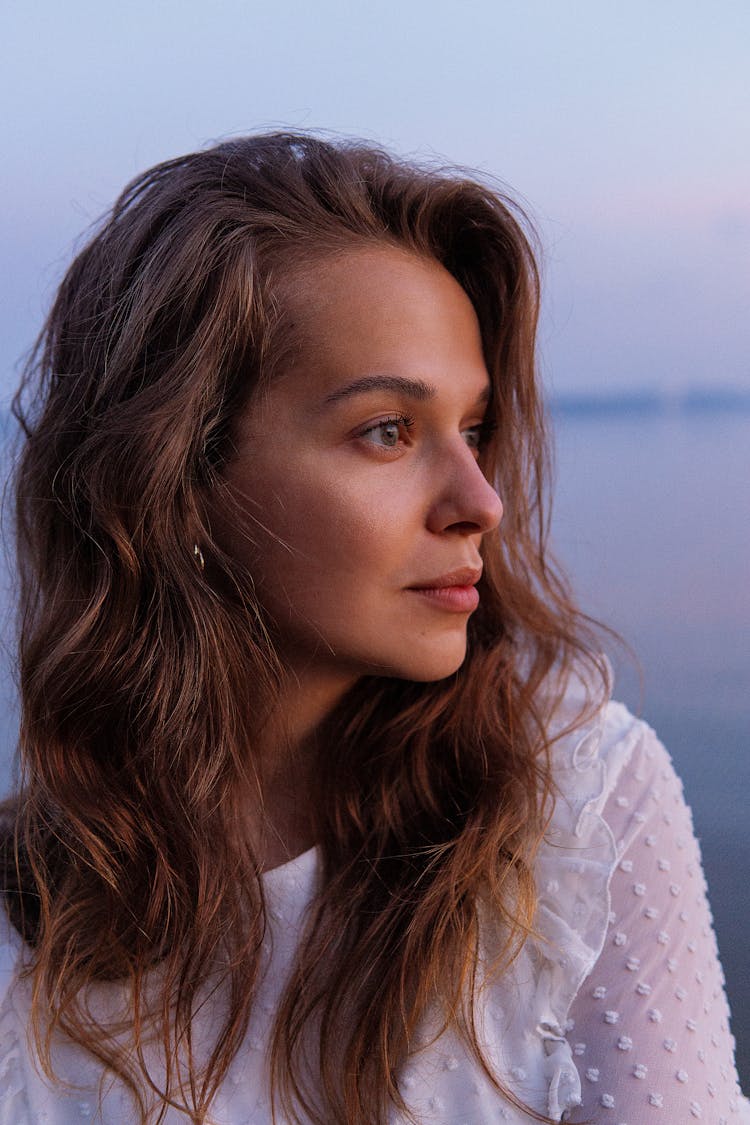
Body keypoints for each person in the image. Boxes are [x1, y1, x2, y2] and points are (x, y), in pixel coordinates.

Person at [0, 132, 746, 1125]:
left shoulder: (575, 813)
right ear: (175, 484)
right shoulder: (30, 921)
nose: (479, 500)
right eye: (387, 431)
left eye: (473, 429)